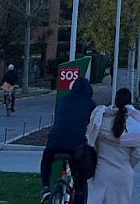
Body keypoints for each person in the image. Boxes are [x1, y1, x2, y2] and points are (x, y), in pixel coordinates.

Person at [41, 76, 97, 204]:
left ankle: (46, 189)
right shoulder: (90, 104)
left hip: (54, 142)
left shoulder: (63, 100)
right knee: (80, 175)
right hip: (75, 145)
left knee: (46, 160)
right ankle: (78, 196)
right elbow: (92, 126)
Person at [85, 87, 140, 204]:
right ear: (130, 102)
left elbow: (91, 141)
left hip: (102, 172)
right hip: (124, 174)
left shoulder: (101, 118)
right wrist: (129, 164)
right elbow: (139, 153)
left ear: (115, 100)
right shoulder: (135, 125)